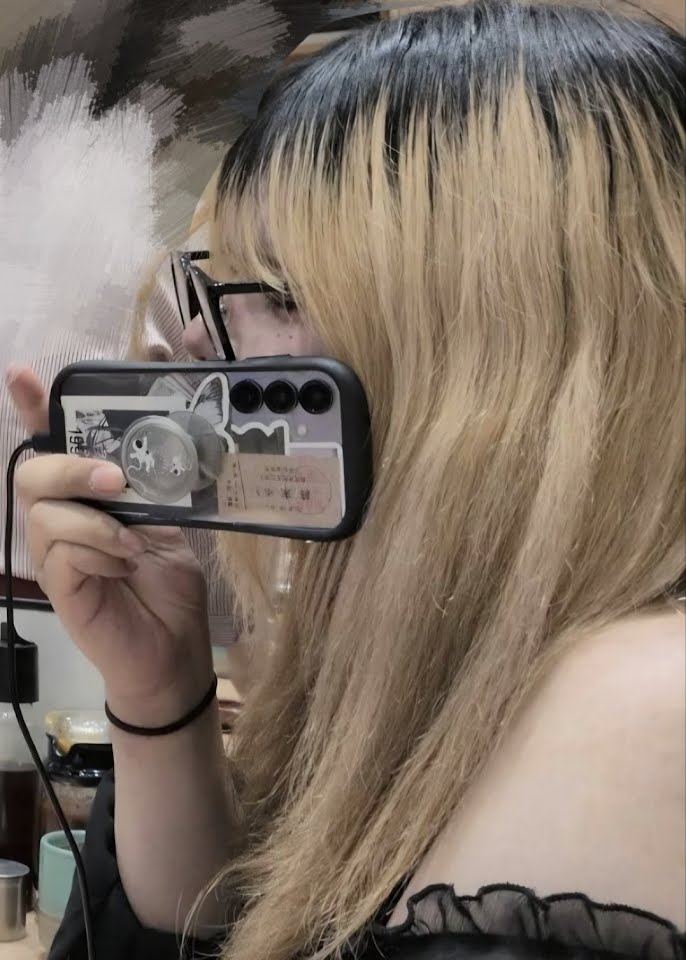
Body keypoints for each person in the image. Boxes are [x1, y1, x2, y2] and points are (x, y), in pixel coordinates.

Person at [7, 3, 686, 958]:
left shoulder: (639, 709)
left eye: (280, 292)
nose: (199, 340)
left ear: (494, 337)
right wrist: (158, 691)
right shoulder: (468, 664)